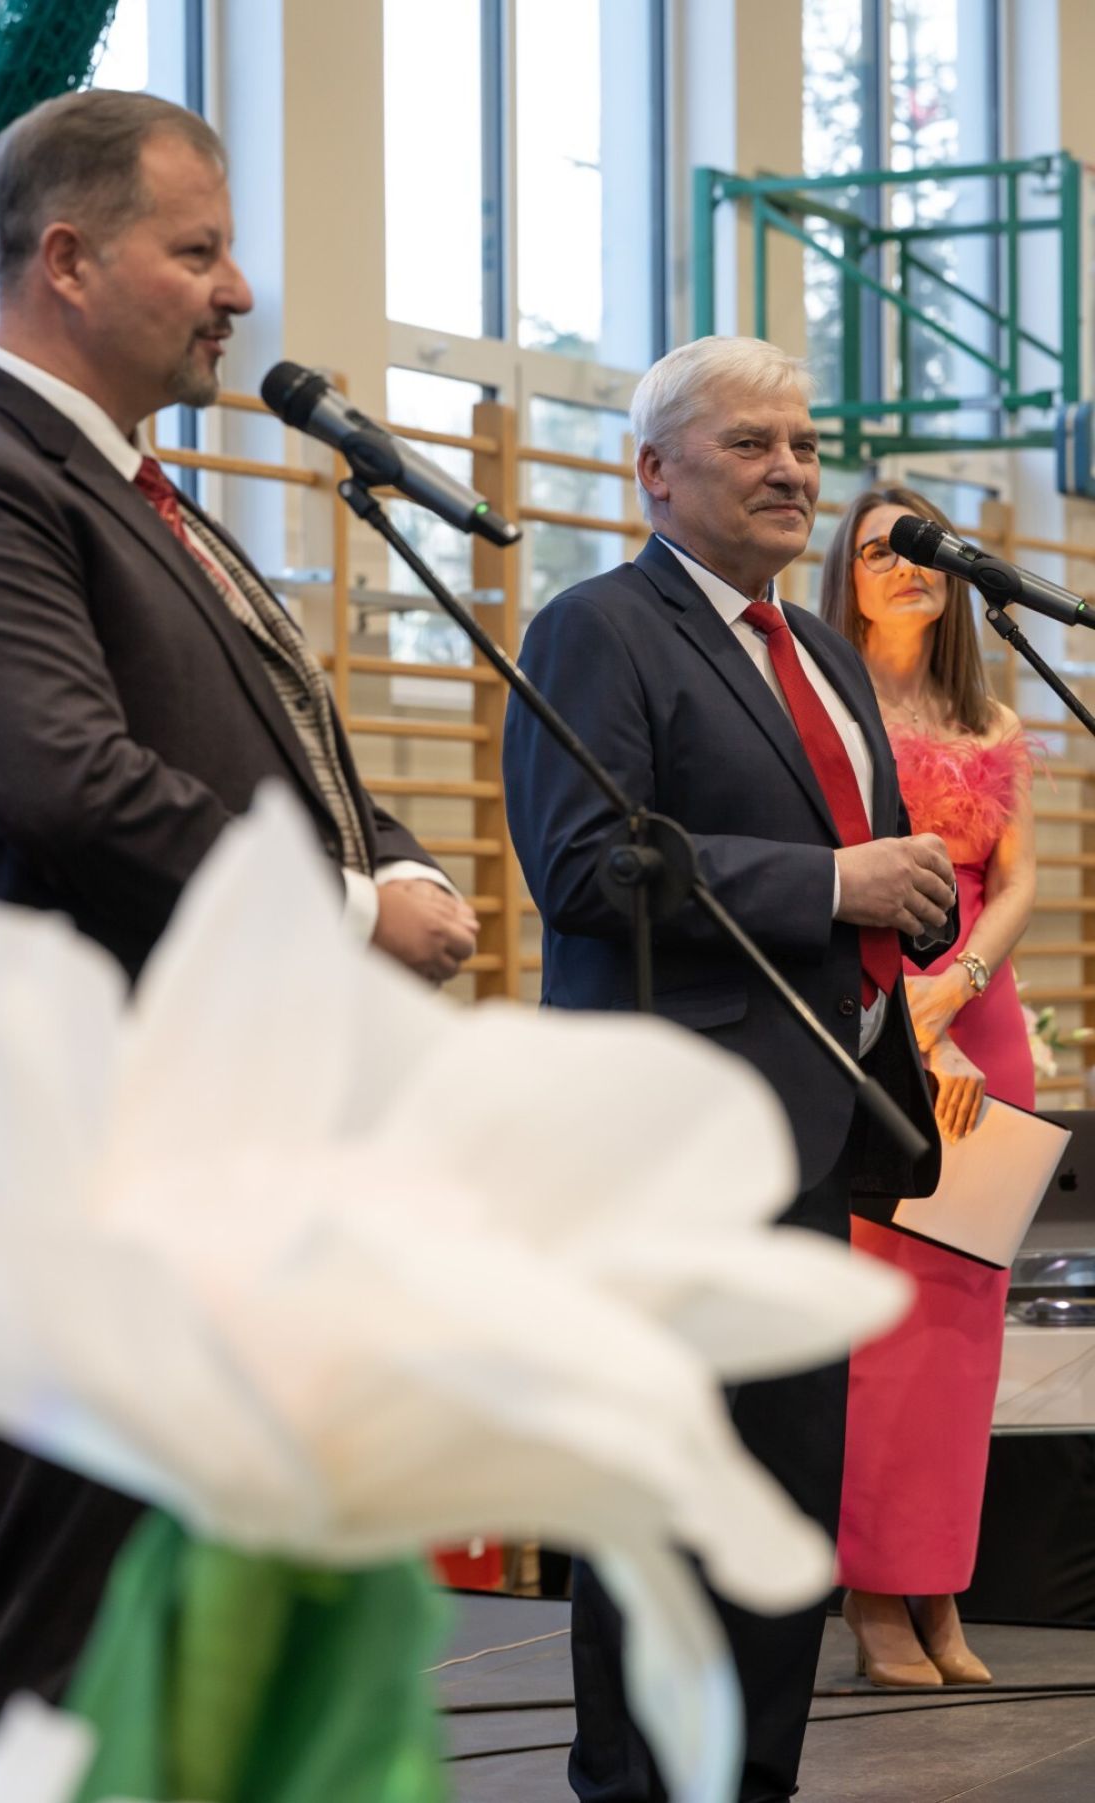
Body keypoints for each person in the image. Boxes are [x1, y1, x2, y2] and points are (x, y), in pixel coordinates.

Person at [0, 89, 478, 1758]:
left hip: (202, 1142)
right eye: (200, 249)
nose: (239, 292)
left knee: (187, 1646)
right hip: (79, 1152)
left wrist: (397, 858)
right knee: (62, 1653)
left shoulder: (143, 491)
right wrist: (353, 911)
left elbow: (281, 739)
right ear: (70, 259)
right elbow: (69, 785)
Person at [502, 336, 956, 1803]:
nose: (792, 471)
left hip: (815, 1128)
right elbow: (585, 865)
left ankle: (755, 1781)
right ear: (654, 470)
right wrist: (830, 883)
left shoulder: (820, 647)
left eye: (805, 445)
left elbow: (854, 857)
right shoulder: (598, 629)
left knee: (780, 1507)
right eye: (752, 443)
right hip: (668, 1140)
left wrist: (908, 902)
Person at [821, 487, 1036, 1688]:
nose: (905, 570)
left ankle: (941, 1587)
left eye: (921, 551)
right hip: (874, 1008)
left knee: (962, 1333)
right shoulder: (825, 707)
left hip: (979, 1009)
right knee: (881, 1329)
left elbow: (1019, 881)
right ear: (844, 580)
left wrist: (961, 991)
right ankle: (873, 1596)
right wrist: (915, 1016)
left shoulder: (991, 714)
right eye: (877, 554)